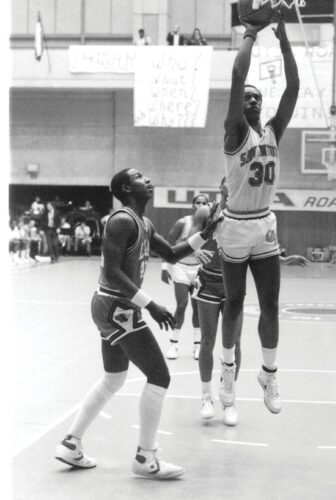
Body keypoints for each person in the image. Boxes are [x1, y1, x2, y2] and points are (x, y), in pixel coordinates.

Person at [54, 168, 220, 479]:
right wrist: (151, 305)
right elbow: (114, 271)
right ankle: (145, 458)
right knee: (159, 375)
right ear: (127, 188)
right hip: (116, 306)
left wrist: (205, 234)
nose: (149, 179)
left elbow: (171, 252)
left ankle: (70, 444)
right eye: (141, 176)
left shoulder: (143, 223)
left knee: (113, 380)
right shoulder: (121, 220)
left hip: (115, 308)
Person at [215, 10, 299, 416]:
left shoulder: (272, 132)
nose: (252, 99)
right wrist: (250, 34)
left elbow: (294, 88)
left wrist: (284, 42)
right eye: (248, 96)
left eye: (257, 97)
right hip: (234, 226)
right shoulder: (234, 131)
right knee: (234, 304)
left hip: (264, 223)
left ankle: (269, 372)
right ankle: (227, 368)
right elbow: (236, 78)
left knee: (271, 305)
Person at [188, 179, 240, 426]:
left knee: (233, 343)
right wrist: (196, 250)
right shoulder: (205, 211)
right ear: (221, 186)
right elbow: (190, 239)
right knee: (207, 341)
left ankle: (229, 401)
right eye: (229, 182)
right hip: (208, 281)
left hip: (233, 284)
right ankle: (206, 397)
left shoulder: (245, 212)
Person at [161, 195, 211, 360]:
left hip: (199, 269)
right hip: (181, 267)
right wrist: (164, 267)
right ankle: (174, 344)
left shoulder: (210, 225)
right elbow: (168, 244)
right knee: (181, 305)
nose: (201, 205)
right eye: (198, 202)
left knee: (197, 308)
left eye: (205, 203)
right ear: (192, 205)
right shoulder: (183, 223)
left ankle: (197, 346)